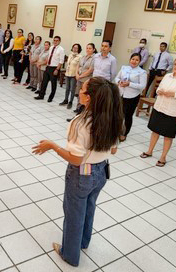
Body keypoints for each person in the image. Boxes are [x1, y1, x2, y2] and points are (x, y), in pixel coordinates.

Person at [32, 77, 123, 267]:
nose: (79, 91)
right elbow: (113, 149)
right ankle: (82, 242)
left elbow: (76, 159)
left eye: (83, 89)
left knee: (74, 214)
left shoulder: (81, 123)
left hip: (82, 174)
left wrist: (52, 146)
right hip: (101, 172)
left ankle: (70, 255)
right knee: (89, 208)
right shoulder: (113, 118)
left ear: (89, 97)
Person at [141, 57, 176, 167]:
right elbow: (158, 88)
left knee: (167, 135)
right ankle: (149, 151)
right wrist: (159, 91)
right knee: (155, 131)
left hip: (172, 111)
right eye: (175, 64)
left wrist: (174, 95)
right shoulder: (167, 76)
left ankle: (163, 157)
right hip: (159, 107)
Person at [115, 53, 147, 141]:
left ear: (139, 62)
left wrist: (129, 84)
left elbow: (142, 86)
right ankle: (116, 131)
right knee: (118, 114)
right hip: (121, 94)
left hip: (132, 96)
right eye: (133, 59)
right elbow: (116, 78)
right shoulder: (124, 68)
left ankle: (124, 133)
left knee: (127, 116)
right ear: (130, 60)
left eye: (137, 60)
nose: (134, 61)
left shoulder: (142, 72)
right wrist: (119, 82)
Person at [35, 35, 65, 102]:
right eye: (54, 40)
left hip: (55, 68)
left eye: (57, 40)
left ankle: (51, 97)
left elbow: (61, 61)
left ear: (59, 41)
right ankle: (41, 95)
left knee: (53, 84)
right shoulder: (51, 47)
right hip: (48, 66)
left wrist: (57, 69)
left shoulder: (61, 49)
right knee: (44, 82)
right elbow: (49, 57)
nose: (55, 42)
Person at [71, 43, 96, 117]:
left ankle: (83, 111)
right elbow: (78, 66)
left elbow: (90, 70)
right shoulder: (83, 57)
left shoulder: (94, 58)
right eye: (87, 48)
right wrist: (77, 74)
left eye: (90, 48)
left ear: (93, 50)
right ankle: (78, 108)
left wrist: (81, 76)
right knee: (79, 94)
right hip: (79, 78)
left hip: (86, 79)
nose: (88, 49)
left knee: (84, 95)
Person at [60, 44, 82, 110]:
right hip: (68, 73)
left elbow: (80, 67)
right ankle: (66, 100)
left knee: (72, 89)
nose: (75, 49)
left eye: (76, 48)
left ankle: (70, 102)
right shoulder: (70, 55)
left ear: (79, 49)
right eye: (74, 47)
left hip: (74, 75)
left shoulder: (80, 57)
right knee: (67, 88)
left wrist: (78, 73)